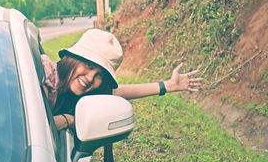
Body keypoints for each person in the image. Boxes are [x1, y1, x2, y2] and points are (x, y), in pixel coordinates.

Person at [41, 28, 203, 131]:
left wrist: (167, 86)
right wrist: (68, 120)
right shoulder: (44, 77)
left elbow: (117, 92)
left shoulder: (68, 88)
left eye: (100, 75)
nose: (91, 78)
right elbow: (32, 129)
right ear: (72, 58)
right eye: (89, 65)